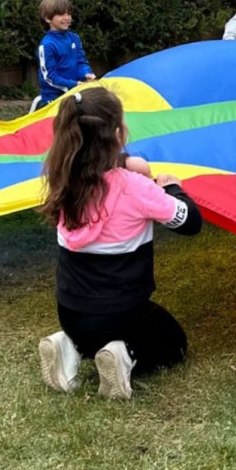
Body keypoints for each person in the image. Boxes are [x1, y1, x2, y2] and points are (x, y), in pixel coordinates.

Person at [36, 88, 203, 399]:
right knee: (174, 344)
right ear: (117, 133)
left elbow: (97, 172)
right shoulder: (135, 189)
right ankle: (124, 355)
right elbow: (190, 223)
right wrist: (174, 188)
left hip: (70, 312)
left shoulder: (62, 179)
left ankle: (70, 347)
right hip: (121, 315)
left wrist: (125, 162)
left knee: (90, 332)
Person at [35, 0, 96, 110]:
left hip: (76, 93)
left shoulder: (74, 38)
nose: (67, 18)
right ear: (48, 18)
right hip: (54, 98)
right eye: (61, 14)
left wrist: (86, 73)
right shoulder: (46, 45)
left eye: (69, 14)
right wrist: (73, 84)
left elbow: (81, 62)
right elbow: (49, 77)